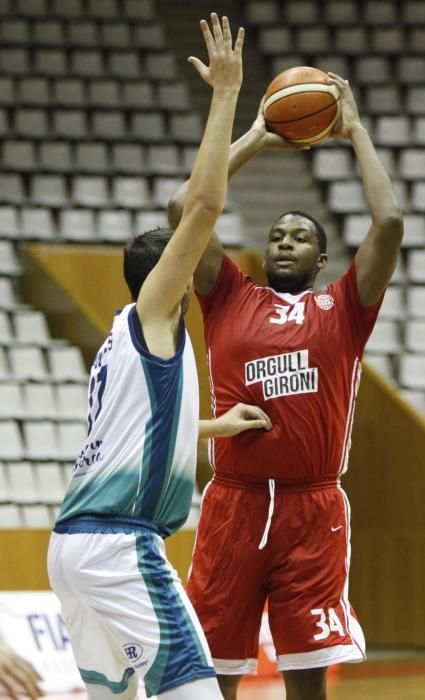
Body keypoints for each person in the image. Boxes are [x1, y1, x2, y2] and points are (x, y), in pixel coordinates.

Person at [46, 15, 269, 700]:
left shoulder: (122, 337)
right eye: (187, 261)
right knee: (193, 689)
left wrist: (213, 429)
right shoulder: (154, 315)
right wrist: (228, 96)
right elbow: (197, 206)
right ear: (166, 276)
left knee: (114, 697)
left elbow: (137, 434)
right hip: (120, 544)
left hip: (70, 547)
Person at [168, 73, 404, 700]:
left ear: (322, 259)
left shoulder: (345, 308)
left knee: (306, 683)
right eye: (276, 235)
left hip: (311, 509)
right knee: (212, 678)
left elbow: (390, 222)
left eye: (300, 237)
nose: (286, 242)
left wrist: (352, 129)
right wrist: (255, 137)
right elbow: (181, 208)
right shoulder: (228, 297)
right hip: (233, 504)